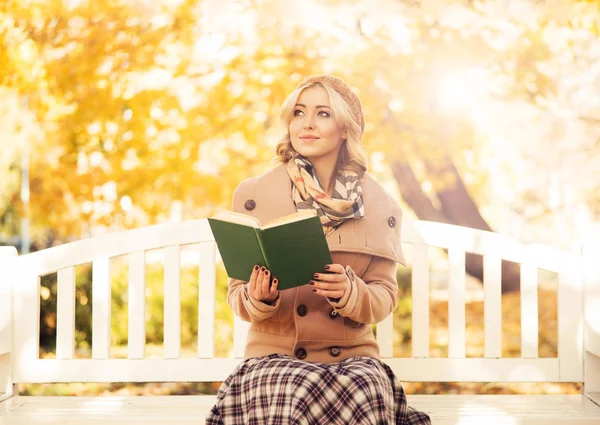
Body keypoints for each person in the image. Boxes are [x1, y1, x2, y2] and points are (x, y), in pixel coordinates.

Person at [206, 75, 431, 424]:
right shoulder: (255, 193)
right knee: (290, 389)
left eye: (323, 114)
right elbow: (237, 296)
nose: (307, 123)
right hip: (274, 355)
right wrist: (257, 297)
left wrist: (351, 292)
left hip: (350, 357)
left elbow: (384, 296)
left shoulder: (379, 202)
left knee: (365, 388)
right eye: (299, 112)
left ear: (345, 128)